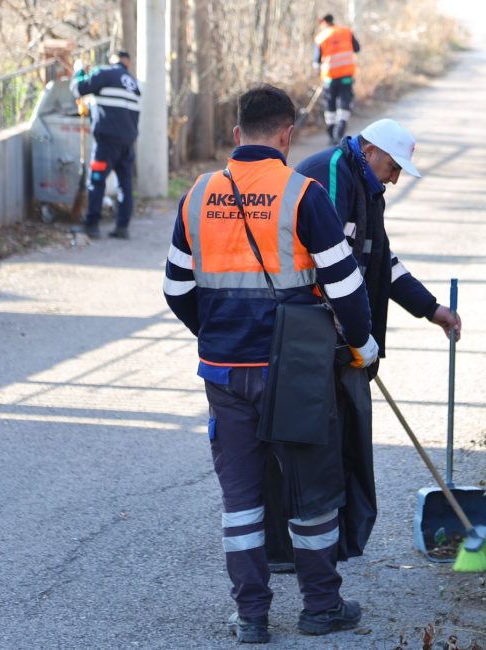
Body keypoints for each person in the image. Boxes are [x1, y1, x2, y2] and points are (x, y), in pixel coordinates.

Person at [162, 83, 379, 644]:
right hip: (295, 374)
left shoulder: (198, 194)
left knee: (241, 501)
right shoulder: (303, 195)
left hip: (223, 373)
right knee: (311, 493)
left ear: (237, 135)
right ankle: (319, 608)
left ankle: (252, 617)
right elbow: (347, 287)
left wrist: (214, 332)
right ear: (287, 136)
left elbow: (175, 288)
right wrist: (362, 345)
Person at [262, 118, 461, 570]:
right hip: (315, 341)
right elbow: (329, 266)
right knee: (315, 449)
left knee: (347, 444)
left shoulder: (370, 191)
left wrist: (432, 309)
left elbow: (381, 261)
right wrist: (353, 337)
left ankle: (329, 547)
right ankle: (295, 554)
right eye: (392, 166)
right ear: (369, 150)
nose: (394, 178)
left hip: (347, 342)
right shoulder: (331, 175)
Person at [70, 50, 140, 240]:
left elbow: (78, 89)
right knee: (125, 185)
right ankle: (122, 227)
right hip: (127, 142)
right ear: (128, 64)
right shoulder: (134, 84)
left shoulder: (105, 73)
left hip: (107, 142)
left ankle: (92, 225)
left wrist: (78, 70)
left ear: (113, 60)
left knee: (96, 180)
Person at [313, 13, 360, 145]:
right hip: (346, 77)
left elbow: (316, 61)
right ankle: (339, 131)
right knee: (344, 104)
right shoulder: (346, 32)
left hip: (329, 78)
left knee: (330, 105)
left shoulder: (321, 38)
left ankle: (331, 133)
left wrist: (317, 72)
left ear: (323, 22)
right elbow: (357, 48)